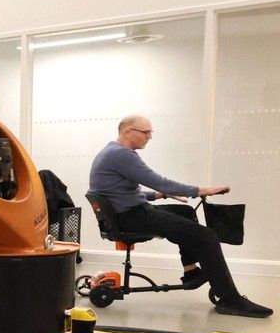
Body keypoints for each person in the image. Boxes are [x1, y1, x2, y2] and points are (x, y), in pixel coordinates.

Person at [89, 115, 272, 318]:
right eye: (146, 132)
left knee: (185, 212)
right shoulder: (122, 155)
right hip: (132, 216)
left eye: (151, 132)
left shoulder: (111, 152)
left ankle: (191, 270)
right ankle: (230, 299)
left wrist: (158, 195)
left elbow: (120, 191)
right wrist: (202, 190)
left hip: (129, 212)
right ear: (128, 132)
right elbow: (159, 181)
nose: (149, 137)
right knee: (207, 236)